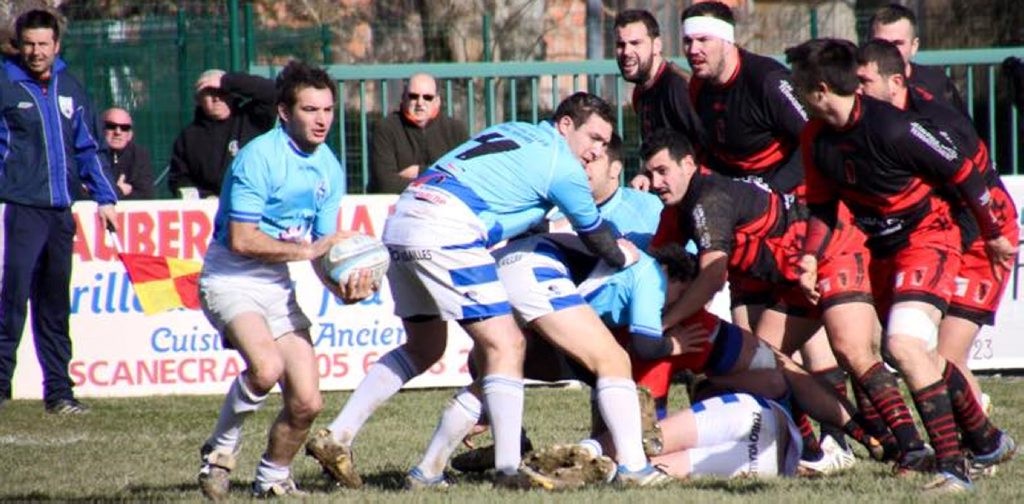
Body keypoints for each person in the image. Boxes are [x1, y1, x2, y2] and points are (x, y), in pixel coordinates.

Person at [306, 92, 640, 490]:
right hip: (449, 228)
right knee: (507, 346)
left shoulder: (513, 131)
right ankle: (509, 470)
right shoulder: (561, 164)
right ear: (565, 125)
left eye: (605, 144)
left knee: (423, 347)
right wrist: (625, 256)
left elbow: (520, 211)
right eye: (594, 138)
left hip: (403, 219)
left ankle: (339, 434)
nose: (597, 150)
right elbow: (597, 237)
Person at [787, 38, 1017, 492]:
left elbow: (965, 173)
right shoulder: (815, 137)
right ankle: (987, 440)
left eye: (796, 83)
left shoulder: (893, 127)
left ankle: (953, 467)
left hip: (929, 239)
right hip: (883, 250)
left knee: (904, 344)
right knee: (919, 354)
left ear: (818, 88)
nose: (790, 90)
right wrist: (811, 255)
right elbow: (821, 206)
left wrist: (992, 234)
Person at [194, 60, 376, 500]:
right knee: (266, 367)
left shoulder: (329, 168)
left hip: (275, 282)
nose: (322, 120)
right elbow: (240, 239)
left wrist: (342, 287)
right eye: (310, 110)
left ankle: (272, 479)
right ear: (283, 112)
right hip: (229, 277)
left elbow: (322, 248)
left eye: (328, 110)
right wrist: (309, 251)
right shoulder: (259, 157)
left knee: (308, 402)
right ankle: (219, 452)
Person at [856, 38, 1019, 462]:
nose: (856, 90)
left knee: (944, 353)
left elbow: (972, 192)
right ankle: (981, 440)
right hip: (938, 236)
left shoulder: (937, 122)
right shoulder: (873, 123)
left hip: (983, 236)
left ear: (895, 82)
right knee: (916, 349)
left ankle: (980, 445)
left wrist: (958, 247)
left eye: (863, 81)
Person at [0, 9, 118, 415]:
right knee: (12, 299)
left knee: (54, 304)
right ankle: (1, 385)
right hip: (20, 208)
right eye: (29, 44)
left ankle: (60, 394)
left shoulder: (70, 87)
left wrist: (106, 199)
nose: (36, 52)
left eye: (43, 44)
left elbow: (90, 147)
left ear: (56, 46)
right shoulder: (5, 84)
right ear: (19, 45)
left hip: (60, 213)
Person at [168, 68, 276, 199]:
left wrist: (227, 81)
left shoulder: (251, 118)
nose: (217, 98)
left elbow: (274, 92)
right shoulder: (188, 137)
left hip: (258, 201)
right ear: (198, 100)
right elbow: (179, 179)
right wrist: (205, 197)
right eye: (209, 93)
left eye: (222, 92)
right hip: (210, 210)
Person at [613, 9, 704, 150]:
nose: (626, 52)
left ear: (656, 46)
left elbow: (709, 145)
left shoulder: (677, 87)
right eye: (621, 45)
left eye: (635, 43)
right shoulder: (640, 91)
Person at [368, 73, 468, 193]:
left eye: (427, 97)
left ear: (437, 101)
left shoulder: (455, 130)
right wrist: (441, 180)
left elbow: (465, 178)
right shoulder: (385, 129)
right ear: (404, 97)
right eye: (413, 96)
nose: (420, 103)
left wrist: (420, 172)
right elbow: (385, 185)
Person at [869, 3, 967, 115]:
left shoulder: (936, 84)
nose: (889, 50)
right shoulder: (858, 87)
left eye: (898, 43)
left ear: (914, 46)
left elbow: (962, 129)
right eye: (881, 43)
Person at [101, 107, 155, 200]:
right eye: (111, 126)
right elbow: (79, 193)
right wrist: (119, 191)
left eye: (124, 128)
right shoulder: (87, 156)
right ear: (100, 129)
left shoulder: (139, 156)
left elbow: (146, 195)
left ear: (130, 134)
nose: (118, 132)